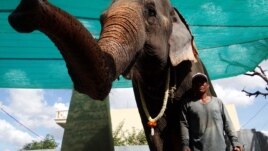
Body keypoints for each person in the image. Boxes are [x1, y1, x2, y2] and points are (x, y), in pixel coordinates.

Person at [179, 72, 243, 151]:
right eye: (197, 82)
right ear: (193, 86)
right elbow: (184, 125)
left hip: (220, 148)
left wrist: (235, 142)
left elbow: (227, 123)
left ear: (207, 85)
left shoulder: (217, 102)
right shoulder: (188, 104)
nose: (200, 84)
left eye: (202, 82)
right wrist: (185, 144)